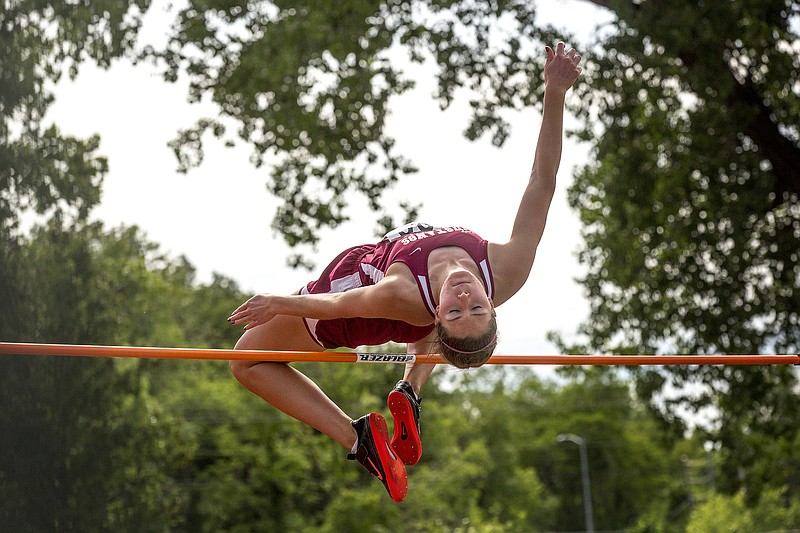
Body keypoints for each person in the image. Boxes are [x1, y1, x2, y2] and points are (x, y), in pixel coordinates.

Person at [228, 42, 582, 503]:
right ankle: (410, 391)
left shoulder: (402, 294)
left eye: (456, 312)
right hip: (402, 298)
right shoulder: (508, 269)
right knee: (443, 330)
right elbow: (543, 180)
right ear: (493, 304)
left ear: (439, 315)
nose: (462, 296)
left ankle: (360, 440)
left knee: (246, 361)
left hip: (350, 296)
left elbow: (339, 303)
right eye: (475, 307)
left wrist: (279, 302)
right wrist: (555, 94)